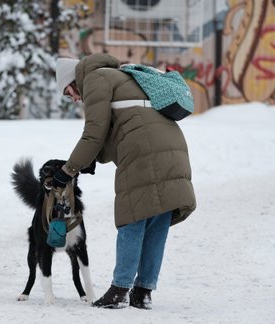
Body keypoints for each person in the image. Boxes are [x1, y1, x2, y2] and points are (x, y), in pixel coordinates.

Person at [52, 53, 196, 309]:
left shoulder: (94, 79)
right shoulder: (120, 76)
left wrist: (68, 169)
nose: (73, 98)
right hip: (172, 146)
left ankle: (120, 290)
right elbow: (125, 124)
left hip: (143, 150)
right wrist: (93, 159)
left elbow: (93, 134)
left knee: (133, 216)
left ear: (74, 80)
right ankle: (143, 291)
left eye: (68, 92)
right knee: (157, 219)